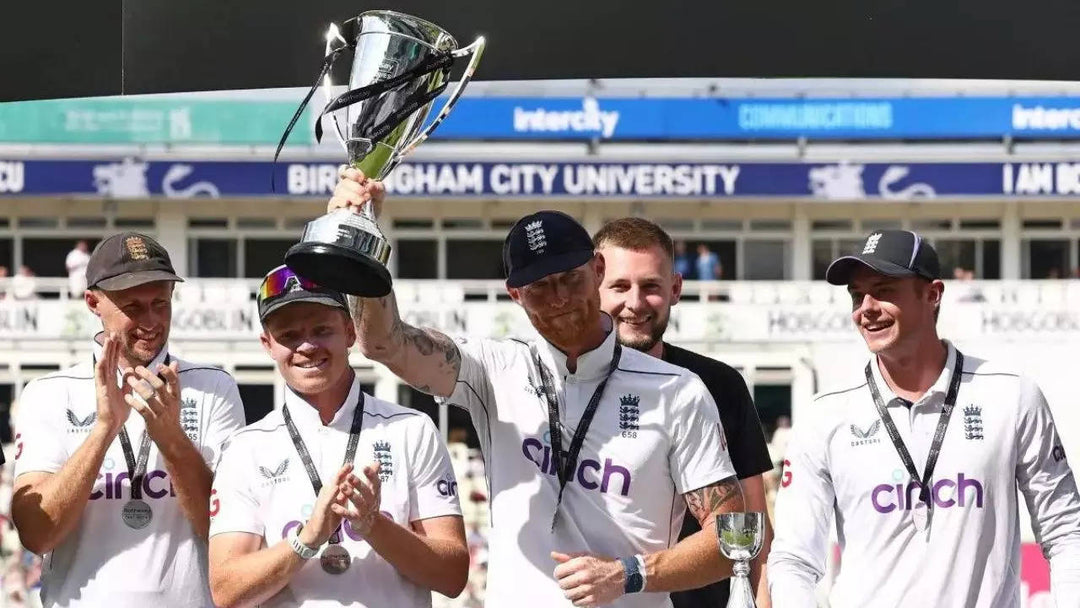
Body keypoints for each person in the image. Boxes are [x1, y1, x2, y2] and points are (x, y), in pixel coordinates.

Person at [327, 168, 745, 608]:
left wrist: (629, 573)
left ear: (597, 269)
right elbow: (381, 342)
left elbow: (733, 537)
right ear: (515, 295)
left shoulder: (677, 391)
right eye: (540, 287)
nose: (560, 297)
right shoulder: (494, 368)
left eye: (571, 278)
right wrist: (360, 235)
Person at [768, 229, 1080, 607]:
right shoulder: (826, 414)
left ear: (932, 295)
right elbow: (793, 561)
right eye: (856, 295)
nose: (866, 307)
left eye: (883, 290)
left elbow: (1066, 532)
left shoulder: (1011, 395)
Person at [208, 264, 468, 607]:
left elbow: (452, 577)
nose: (307, 346)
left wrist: (374, 526)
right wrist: (308, 538)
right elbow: (226, 590)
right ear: (267, 344)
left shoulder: (411, 429)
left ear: (349, 332)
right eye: (288, 335)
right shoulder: (246, 448)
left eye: (321, 330)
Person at [10, 232, 246, 607]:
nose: (151, 321)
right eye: (133, 307)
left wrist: (171, 439)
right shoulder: (49, 392)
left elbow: (224, 532)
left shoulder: (214, 386)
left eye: (161, 304)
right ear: (93, 301)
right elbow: (37, 535)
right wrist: (104, 429)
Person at [593, 217, 774, 608]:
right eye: (620, 286)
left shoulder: (718, 384)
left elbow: (753, 520)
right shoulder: (567, 382)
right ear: (593, 286)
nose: (635, 303)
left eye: (651, 287)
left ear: (675, 289)